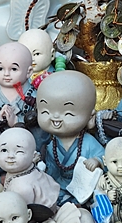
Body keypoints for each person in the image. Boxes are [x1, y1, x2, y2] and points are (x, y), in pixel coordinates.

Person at [35, 70, 103, 203]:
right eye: (46, 111)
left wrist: (97, 161)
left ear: (91, 117)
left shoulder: (88, 142)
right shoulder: (50, 143)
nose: (55, 117)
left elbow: (104, 156)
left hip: (83, 189)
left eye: (68, 113)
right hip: (57, 186)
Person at [0, 42, 34, 148]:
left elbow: (42, 127)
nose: (6, 74)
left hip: (24, 151)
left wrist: (17, 122)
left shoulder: (35, 97)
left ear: (29, 72)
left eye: (14, 69)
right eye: (0, 69)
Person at [0, 128, 59, 211]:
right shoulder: (28, 170)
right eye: (4, 150)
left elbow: (19, 212)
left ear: (33, 156)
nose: (10, 156)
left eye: (19, 151)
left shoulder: (21, 187)